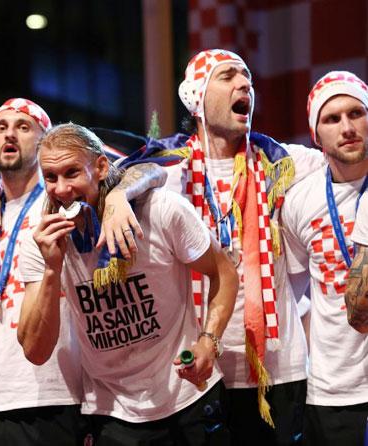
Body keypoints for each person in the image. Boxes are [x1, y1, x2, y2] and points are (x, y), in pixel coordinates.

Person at [136, 49, 325, 444]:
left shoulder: (285, 163)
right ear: (195, 98)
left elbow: (348, 157)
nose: (244, 85)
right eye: (227, 77)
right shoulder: (167, 170)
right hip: (197, 373)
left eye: (247, 78)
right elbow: (101, 174)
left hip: (279, 369)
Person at [18, 122, 238, 444]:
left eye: (72, 173)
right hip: (111, 413)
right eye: (51, 177)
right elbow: (36, 351)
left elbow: (224, 273)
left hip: (188, 398)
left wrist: (208, 342)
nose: (61, 189)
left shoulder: (159, 210)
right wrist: (52, 268)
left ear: (101, 166)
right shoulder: (42, 240)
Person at [0, 99, 85, 445]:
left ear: (44, 140)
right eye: (1, 128)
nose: (10, 135)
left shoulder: (63, 202)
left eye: (23, 127)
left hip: (55, 393)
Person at [281, 71, 368, 445]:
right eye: (332, 119)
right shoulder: (301, 201)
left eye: (356, 113)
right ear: (316, 135)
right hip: (331, 391)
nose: (347, 127)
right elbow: (296, 291)